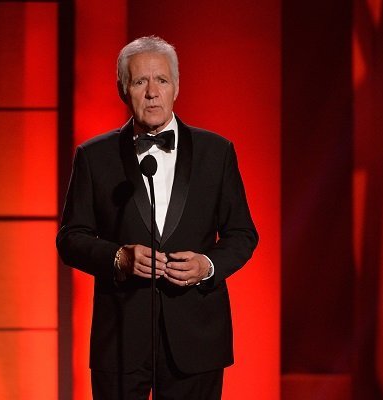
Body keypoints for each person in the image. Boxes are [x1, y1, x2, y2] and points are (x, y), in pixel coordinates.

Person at [56, 35, 258, 400]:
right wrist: (118, 258)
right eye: (139, 81)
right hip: (120, 341)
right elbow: (71, 238)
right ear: (123, 90)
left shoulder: (217, 152)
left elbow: (242, 233)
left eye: (161, 80)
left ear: (176, 87)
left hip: (197, 340)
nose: (152, 92)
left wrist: (207, 265)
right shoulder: (93, 157)